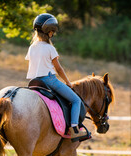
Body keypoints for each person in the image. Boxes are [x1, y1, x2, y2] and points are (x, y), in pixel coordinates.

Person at [25, 13, 88, 141]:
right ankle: (74, 129)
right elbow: (58, 69)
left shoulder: (32, 47)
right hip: (49, 80)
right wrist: (68, 82)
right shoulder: (49, 48)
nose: (53, 34)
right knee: (76, 100)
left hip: (34, 82)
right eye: (52, 31)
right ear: (49, 31)